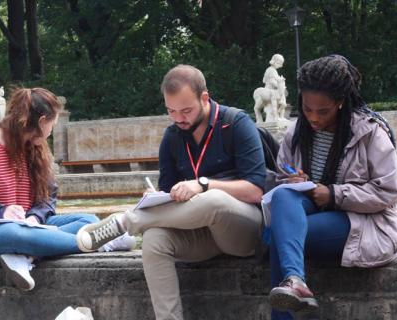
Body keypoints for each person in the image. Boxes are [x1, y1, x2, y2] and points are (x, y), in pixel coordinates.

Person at [76, 64, 267, 320]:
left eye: (186, 110)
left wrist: (202, 184)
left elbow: (255, 190)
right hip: (201, 235)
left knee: (211, 198)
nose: (179, 118)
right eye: (171, 111)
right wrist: (155, 199)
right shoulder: (172, 136)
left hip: (243, 230)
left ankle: (128, 221)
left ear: (204, 98)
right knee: (154, 239)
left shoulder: (236, 123)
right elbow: (169, 198)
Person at [266, 55, 397, 319]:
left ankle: (290, 294)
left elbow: (387, 192)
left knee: (280, 235)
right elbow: (280, 179)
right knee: (285, 196)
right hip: (312, 211)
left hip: (363, 220)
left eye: (323, 111)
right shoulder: (295, 132)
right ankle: (295, 281)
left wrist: (333, 194)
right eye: (307, 109)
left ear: (341, 102)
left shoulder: (369, 132)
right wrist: (296, 181)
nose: (313, 117)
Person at [0, 87, 133, 291]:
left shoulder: (36, 147)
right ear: (42, 121)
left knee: (88, 221)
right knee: (14, 233)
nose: (52, 129)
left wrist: (35, 216)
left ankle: (26, 256)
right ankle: (97, 243)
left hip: (29, 227)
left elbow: (48, 196)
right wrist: (0, 211)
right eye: (53, 123)